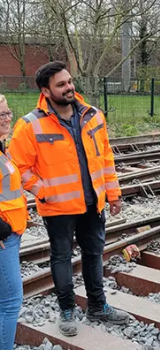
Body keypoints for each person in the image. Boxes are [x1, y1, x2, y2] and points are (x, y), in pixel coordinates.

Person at [8, 61, 129, 337]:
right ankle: (67, 309)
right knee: (61, 257)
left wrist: (113, 193)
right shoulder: (30, 125)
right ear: (45, 90)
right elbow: (18, 167)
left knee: (94, 254)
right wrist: (44, 191)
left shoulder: (93, 115)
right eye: (61, 84)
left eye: (69, 81)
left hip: (92, 203)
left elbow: (106, 158)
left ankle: (98, 306)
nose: (69, 87)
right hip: (58, 208)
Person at [0, 94, 28, 349]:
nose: (7, 118)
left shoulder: (2, 147)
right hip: (2, 239)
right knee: (9, 302)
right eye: (1, 115)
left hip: (11, 234)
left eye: (8, 112)